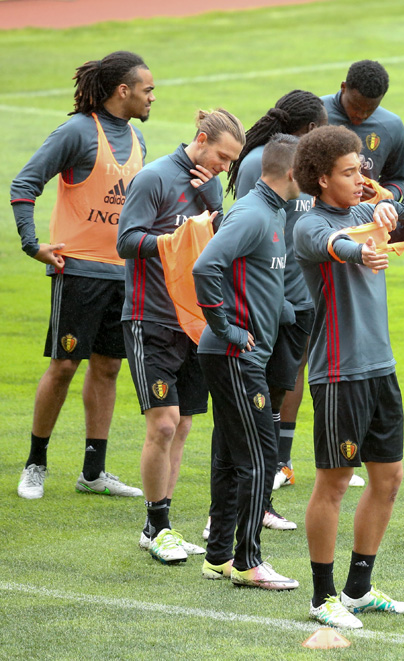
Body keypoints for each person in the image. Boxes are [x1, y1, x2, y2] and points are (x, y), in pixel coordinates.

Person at [292, 125, 404, 627]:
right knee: (334, 483)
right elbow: (334, 244)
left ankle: (358, 588)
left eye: (363, 170)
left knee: (391, 477)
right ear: (320, 178)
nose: (360, 179)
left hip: (381, 370)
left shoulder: (364, 209)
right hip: (339, 374)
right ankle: (321, 596)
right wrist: (363, 249)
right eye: (350, 172)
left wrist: (387, 204)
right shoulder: (308, 225)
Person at [11, 51, 153, 500]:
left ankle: (93, 473)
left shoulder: (138, 139)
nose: (153, 97)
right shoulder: (77, 131)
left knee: (108, 368)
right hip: (78, 274)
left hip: (123, 275)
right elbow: (24, 184)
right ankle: (36, 463)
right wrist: (33, 245)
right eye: (147, 89)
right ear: (122, 90)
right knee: (66, 364)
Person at [117, 108, 245, 564]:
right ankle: (157, 525)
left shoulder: (208, 184)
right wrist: (177, 238)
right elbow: (126, 241)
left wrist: (210, 213)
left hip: (194, 320)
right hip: (149, 316)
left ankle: (162, 524)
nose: (224, 168)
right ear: (202, 137)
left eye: (232, 163)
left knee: (185, 424)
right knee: (164, 423)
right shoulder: (153, 178)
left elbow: (219, 237)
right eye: (222, 157)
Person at [193, 133, 302, 590]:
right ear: (294, 174)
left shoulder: (273, 212)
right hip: (235, 354)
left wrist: (285, 311)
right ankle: (247, 562)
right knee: (260, 458)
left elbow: (257, 278)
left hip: (240, 353)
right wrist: (227, 328)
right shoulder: (255, 214)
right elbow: (206, 267)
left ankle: (219, 556)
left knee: (229, 457)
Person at [224, 89, 328, 533]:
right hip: (268, 303)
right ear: (306, 130)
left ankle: (262, 494)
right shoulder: (258, 165)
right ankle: (241, 502)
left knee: (278, 394)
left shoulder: (306, 168)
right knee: (253, 401)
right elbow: (246, 235)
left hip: (301, 302)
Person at [321, 59, 404, 201]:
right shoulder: (316, 115)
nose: (361, 115)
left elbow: (397, 179)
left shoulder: (392, 126)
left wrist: (383, 198)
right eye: (355, 107)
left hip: (364, 218)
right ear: (343, 87)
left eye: (370, 110)